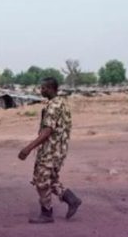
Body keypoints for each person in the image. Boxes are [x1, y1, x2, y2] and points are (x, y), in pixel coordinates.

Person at [18, 77, 82, 224]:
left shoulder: (53, 107)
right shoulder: (62, 103)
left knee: (41, 180)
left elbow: (47, 131)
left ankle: (46, 213)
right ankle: (72, 199)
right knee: (51, 180)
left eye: (43, 88)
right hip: (59, 149)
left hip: (51, 150)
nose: (41, 91)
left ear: (51, 89)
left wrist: (28, 149)